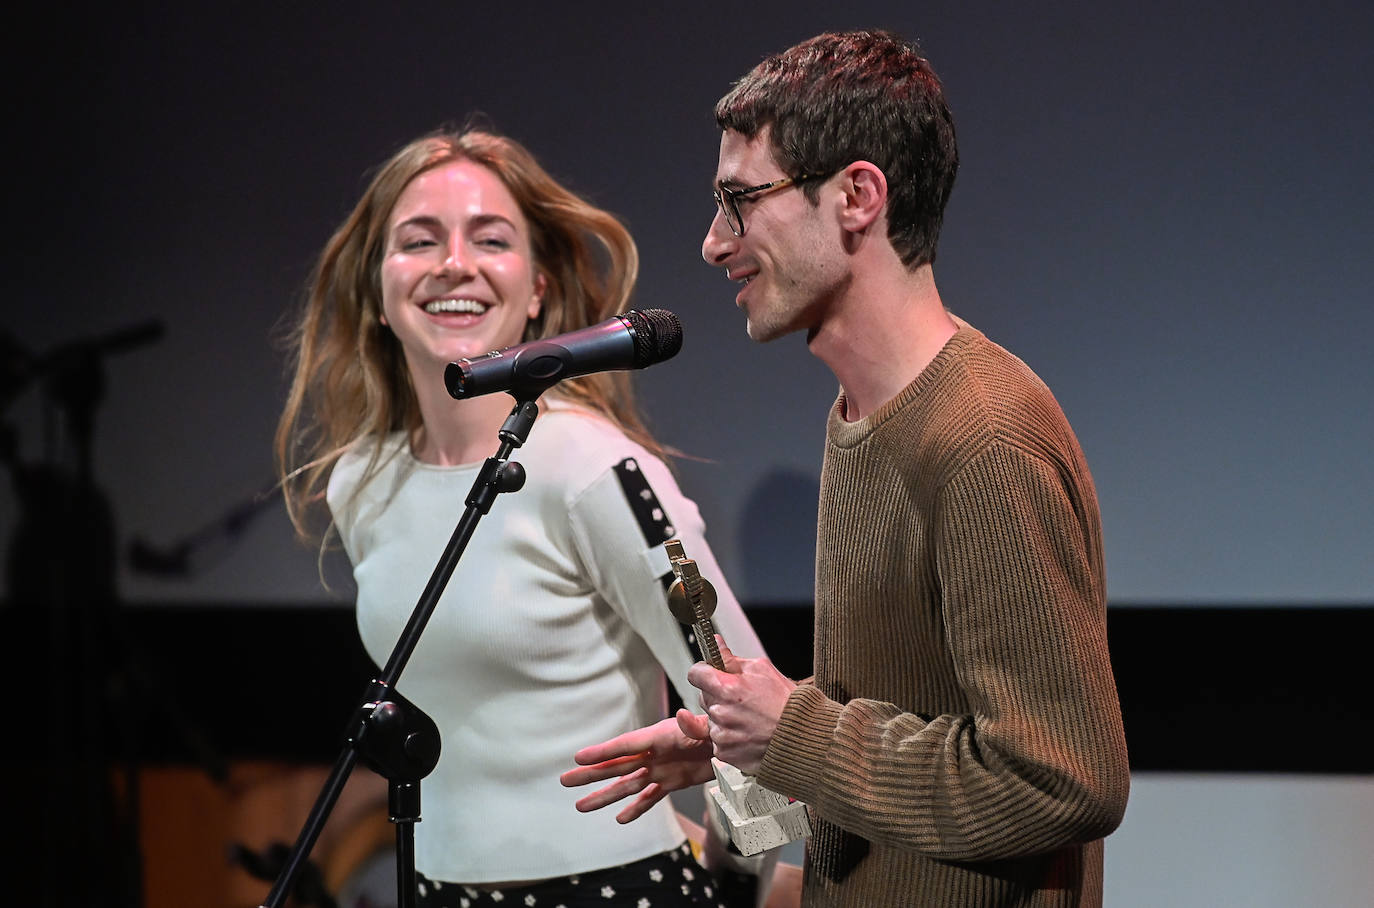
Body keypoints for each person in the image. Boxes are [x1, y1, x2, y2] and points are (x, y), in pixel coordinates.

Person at [561, 30, 1131, 907]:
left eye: (741, 201)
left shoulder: (983, 438)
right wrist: (753, 739)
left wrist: (800, 736)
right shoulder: (864, 417)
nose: (715, 244)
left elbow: (1061, 780)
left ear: (857, 197)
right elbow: (917, 698)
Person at [275, 125, 771, 907]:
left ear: (537, 286)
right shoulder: (360, 481)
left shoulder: (595, 470)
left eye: (491, 238)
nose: (454, 263)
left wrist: (738, 888)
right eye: (419, 239)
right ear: (375, 288)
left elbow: (749, 713)